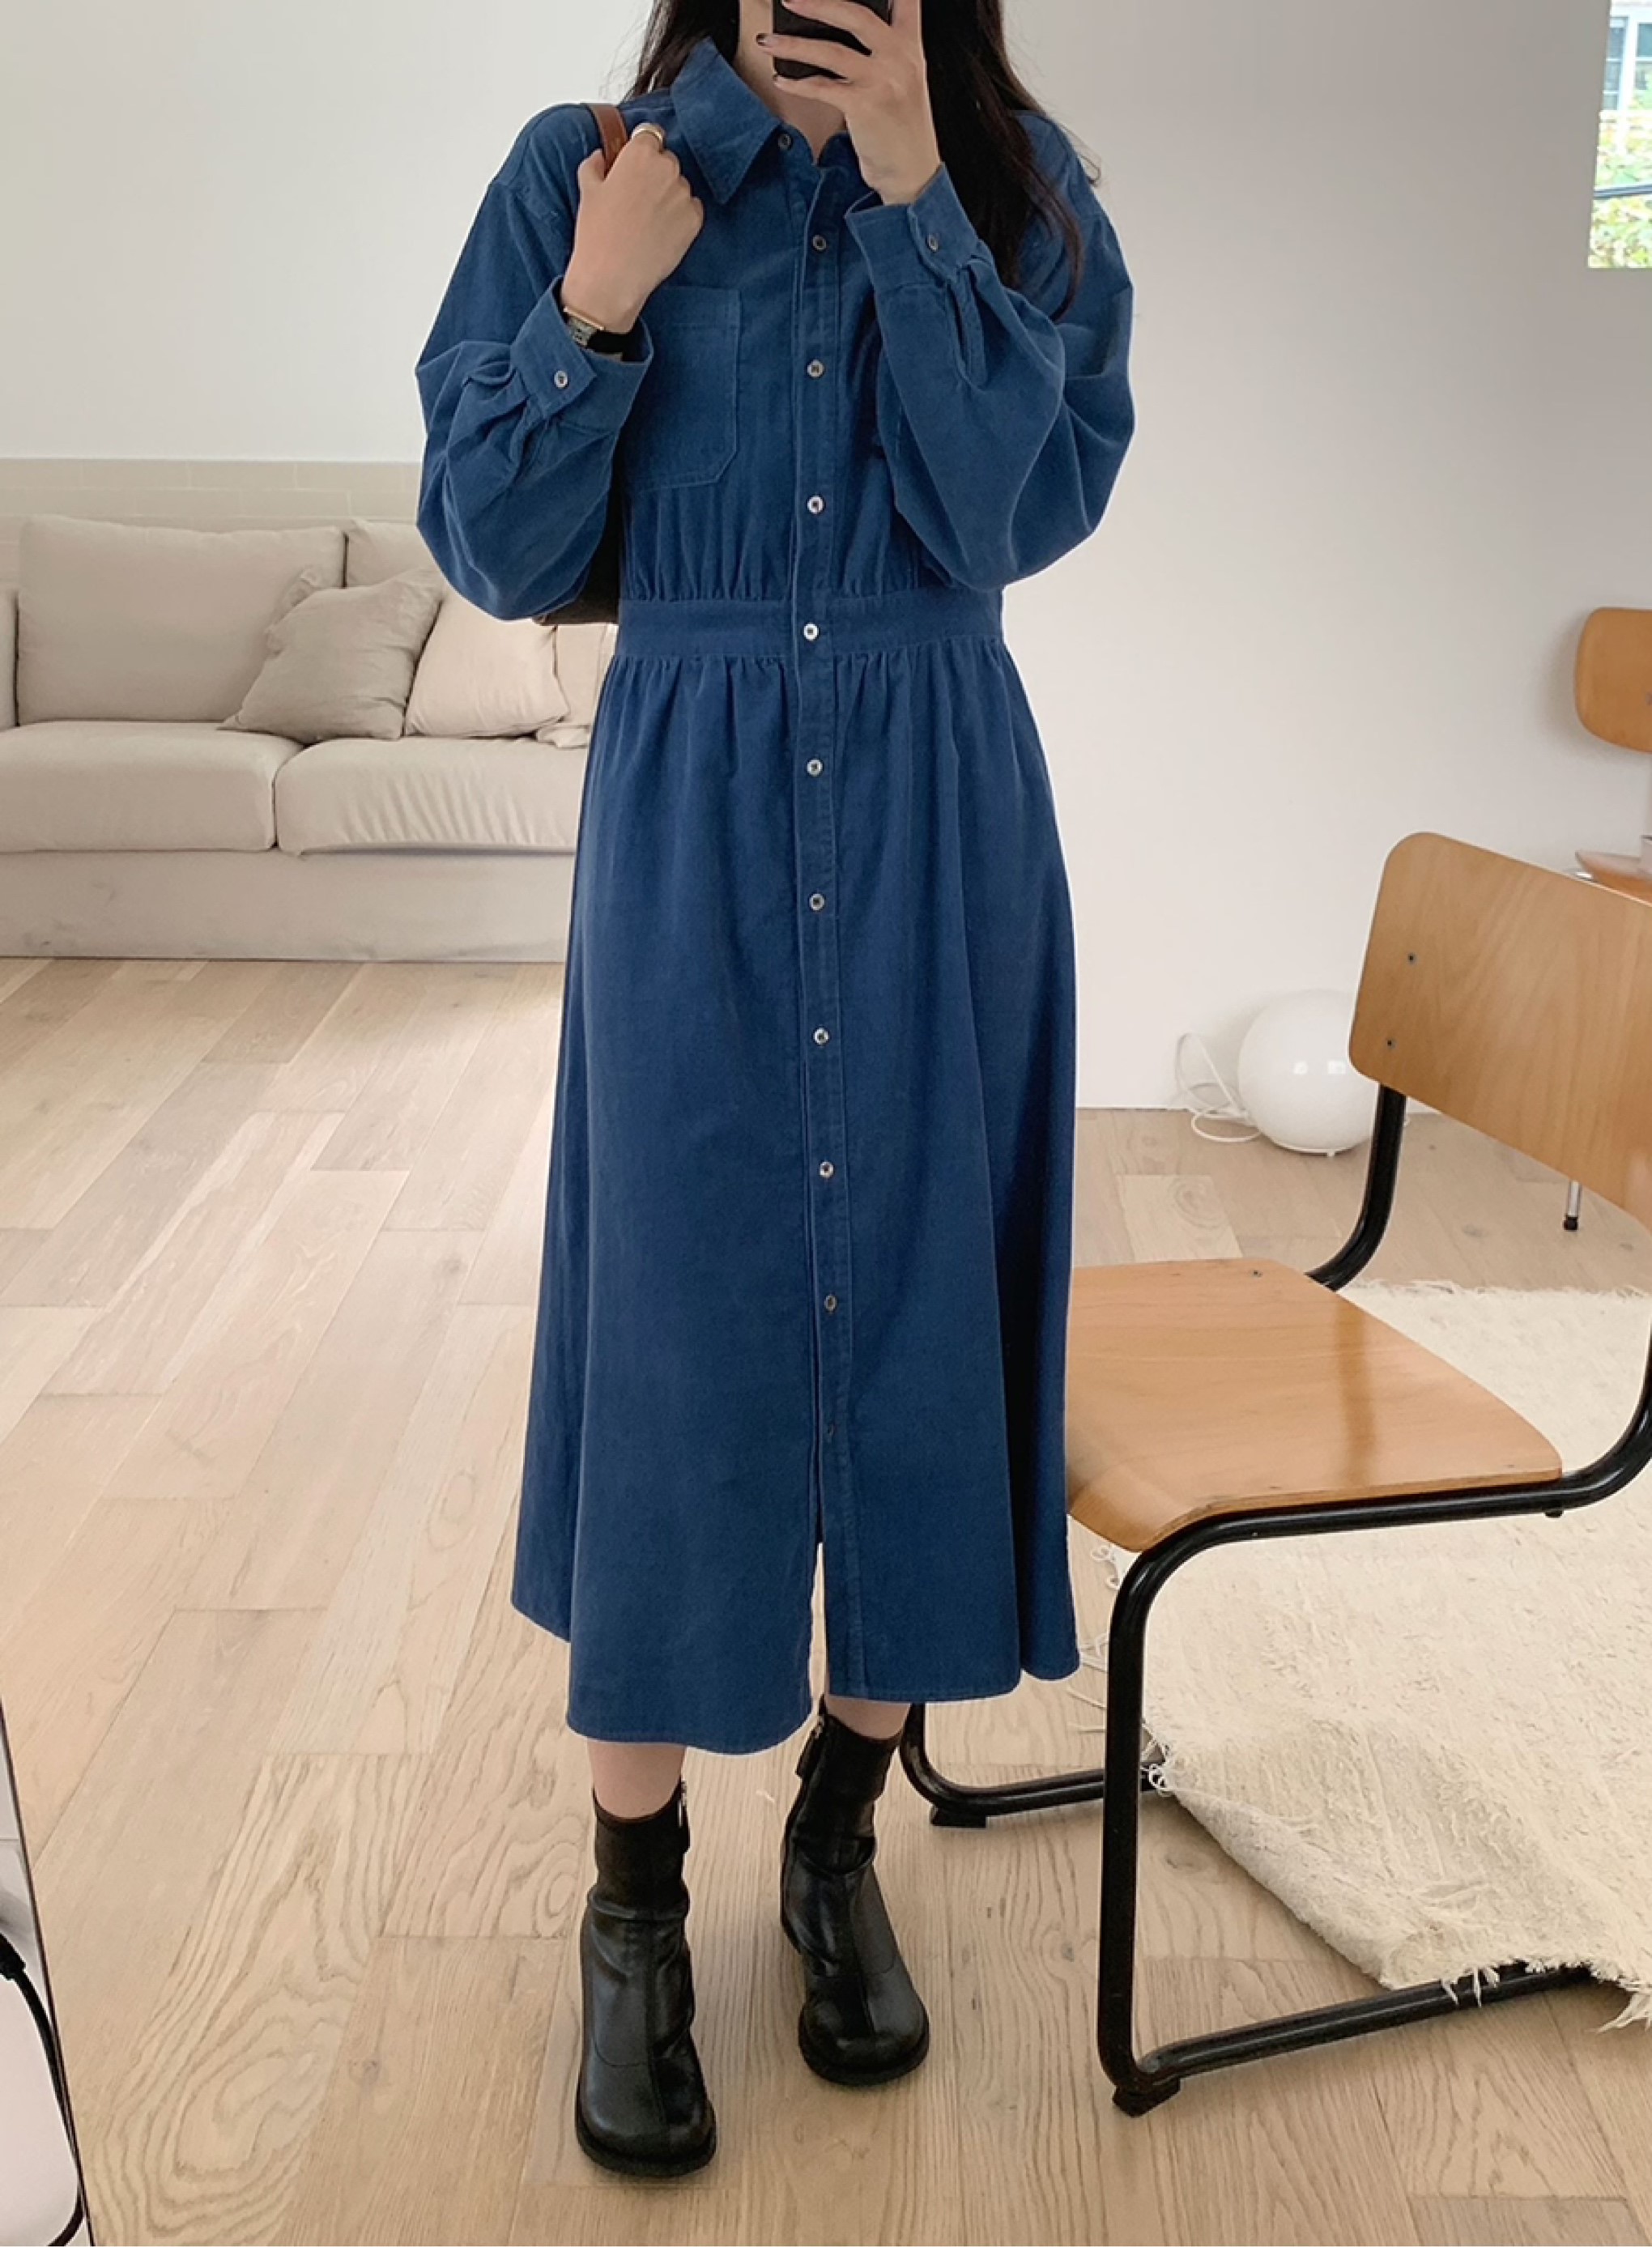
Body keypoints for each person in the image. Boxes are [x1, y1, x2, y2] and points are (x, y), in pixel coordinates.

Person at [414, 0, 1135, 2179]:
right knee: (679, 1343)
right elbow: (496, 547)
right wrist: (596, 304)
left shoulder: (1023, 190)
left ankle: (836, 1838)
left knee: (916, 1325)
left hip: (939, 824)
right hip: (690, 830)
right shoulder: (585, 170)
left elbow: (1013, 512)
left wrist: (920, 199)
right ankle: (633, 1910)